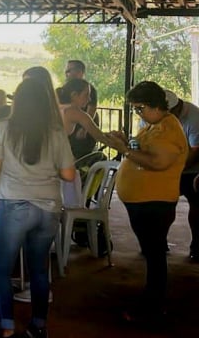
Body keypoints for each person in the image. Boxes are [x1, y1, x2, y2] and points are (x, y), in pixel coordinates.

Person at [0, 78, 76, 338]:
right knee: (39, 270)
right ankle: (39, 325)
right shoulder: (56, 131)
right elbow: (68, 174)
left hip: (14, 205)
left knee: (0, 269)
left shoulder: (4, 127)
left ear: (17, 101)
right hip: (48, 208)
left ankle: (7, 326)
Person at [105, 81, 188, 325]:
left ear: (155, 105)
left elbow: (157, 162)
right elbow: (141, 148)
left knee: (155, 255)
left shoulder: (169, 129)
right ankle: (152, 300)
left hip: (155, 203)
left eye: (140, 108)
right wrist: (127, 142)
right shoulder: (154, 125)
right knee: (152, 252)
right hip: (143, 201)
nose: (138, 113)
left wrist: (125, 150)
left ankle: (153, 305)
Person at [163, 90, 199, 262]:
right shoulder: (152, 115)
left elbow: (195, 151)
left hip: (192, 169)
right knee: (162, 204)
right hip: (167, 167)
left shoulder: (194, 116)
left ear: (176, 109)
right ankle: (158, 241)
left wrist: (176, 169)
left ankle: (197, 246)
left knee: (197, 204)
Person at [56, 78, 108, 161]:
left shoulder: (58, 107)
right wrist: (124, 148)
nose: (89, 99)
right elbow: (100, 137)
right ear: (74, 95)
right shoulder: (76, 113)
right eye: (86, 95)